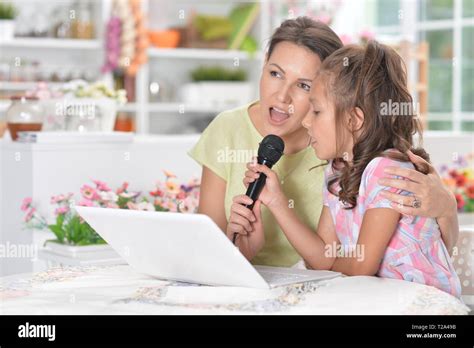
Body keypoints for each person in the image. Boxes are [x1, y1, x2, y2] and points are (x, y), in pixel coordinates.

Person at [189, 17, 459, 267]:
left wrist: (446, 208)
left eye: (304, 86)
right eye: (275, 73)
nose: (282, 96)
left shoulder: (344, 153)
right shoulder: (229, 129)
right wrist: (240, 250)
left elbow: (425, 248)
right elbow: (207, 252)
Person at [243, 41, 461, 297]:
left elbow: (362, 265)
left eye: (316, 111)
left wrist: (331, 267)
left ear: (354, 119)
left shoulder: (385, 170)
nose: (306, 121)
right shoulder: (336, 172)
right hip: (377, 297)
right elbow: (323, 255)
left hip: (422, 301)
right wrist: (277, 202)